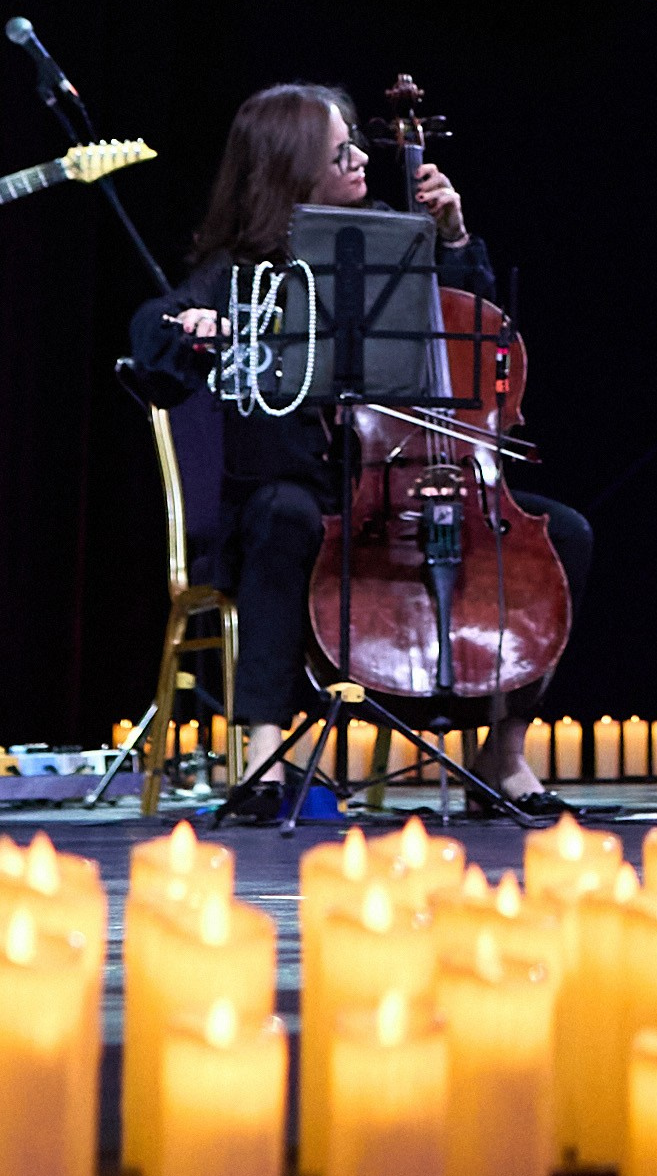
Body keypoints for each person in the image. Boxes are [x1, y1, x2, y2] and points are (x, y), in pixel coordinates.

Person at [131, 81, 591, 819]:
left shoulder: (393, 237)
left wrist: (453, 237)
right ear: (292, 163)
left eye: (355, 141)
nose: (358, 156)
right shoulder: (244, 268)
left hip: (403, 486)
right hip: (301, 496)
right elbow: (152, 337)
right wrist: (192, 324)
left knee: (563, 532)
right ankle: (264, 764)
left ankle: (502, 754)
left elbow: (473, 327)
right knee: (282, 515)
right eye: (338, 146)